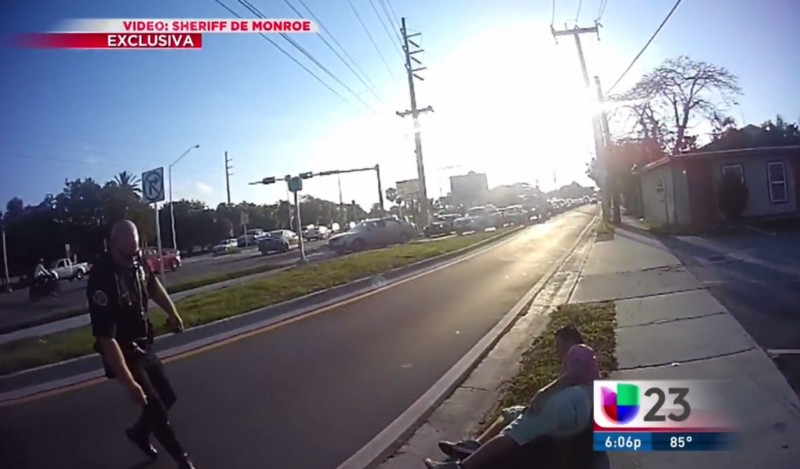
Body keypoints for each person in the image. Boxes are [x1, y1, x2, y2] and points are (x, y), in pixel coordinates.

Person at [87, 219, 196, 469]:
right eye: (125, 255)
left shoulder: (137, 260)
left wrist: (172, 311)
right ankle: (184, 461)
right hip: (123, 352)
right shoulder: (102, 277)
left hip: (143, 344)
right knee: (155, 407)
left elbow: (152, 284)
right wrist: (129, 383)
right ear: (112, 245)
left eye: (134, 253)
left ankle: (138, 433)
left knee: (168, 396)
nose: (130, 260)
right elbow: (106, 338)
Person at [425, 325, 600, 469]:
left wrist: (543, 392)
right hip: (575, 410)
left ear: (570, 340)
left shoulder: (579, 350)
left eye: (559, 345)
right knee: (510, 413)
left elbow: (571, 376)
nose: (557, 350)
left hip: (573, 402)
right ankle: (475, 446)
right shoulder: (585, 360)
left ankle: (462, 467)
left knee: (516, 431)